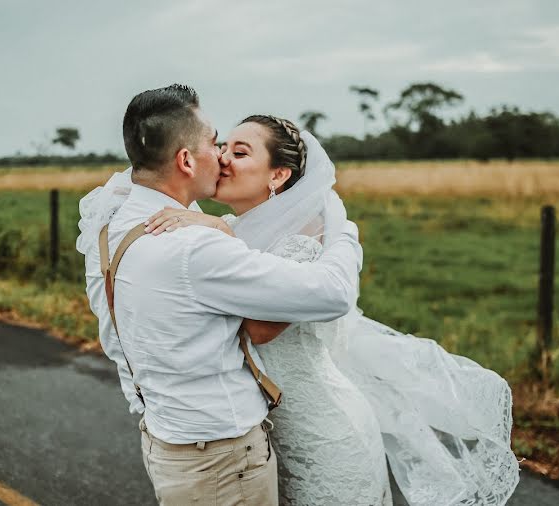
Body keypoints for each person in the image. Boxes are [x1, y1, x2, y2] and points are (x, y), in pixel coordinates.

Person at [144, 115, 521, 505]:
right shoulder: (224, 228)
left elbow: (260, 329)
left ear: (278, 176)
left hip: (324, 434)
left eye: (240, 152)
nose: (223, 158)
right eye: (223, 147)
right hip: (263, 437)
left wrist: (213, 231)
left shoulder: (305, 239)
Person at [76, 85, 364, 506]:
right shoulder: (195, 246)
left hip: (166, 437)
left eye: (236, 148)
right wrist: (344, 226)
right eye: (215, 142)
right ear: (186, 160)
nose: (222, 156)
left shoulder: (112, 219)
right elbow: (334, 293)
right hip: (221, 458)